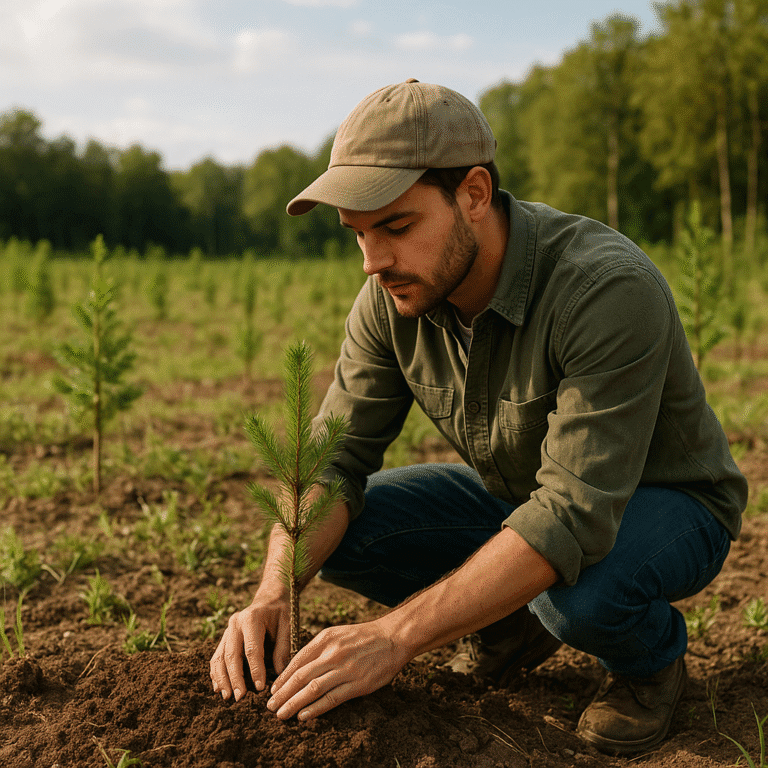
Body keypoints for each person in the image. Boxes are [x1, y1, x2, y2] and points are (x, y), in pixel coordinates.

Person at [209, 78, 748, 755]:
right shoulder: (390, 297)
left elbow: (572, 515)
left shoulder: (603, 288)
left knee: (575, 595)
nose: (374, 262)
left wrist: (394, 637)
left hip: (667, 503)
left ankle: (649, 664)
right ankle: (509, 623)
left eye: (396, 227)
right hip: (524, 498)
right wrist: (273, 594)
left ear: (472, 194)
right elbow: (332, 462)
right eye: (358, 235)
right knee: (346, 530)